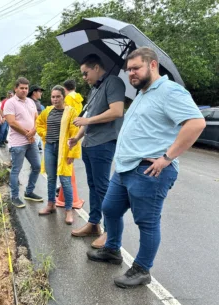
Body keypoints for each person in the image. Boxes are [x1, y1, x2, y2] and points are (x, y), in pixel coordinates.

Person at [86, 47, 206, 288]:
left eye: (136, 68)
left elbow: (196, 123)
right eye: (129, 69)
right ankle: (112, 251)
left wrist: (167, 158)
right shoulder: (142, 93)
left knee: (147, 222)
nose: (131, 73)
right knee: (109, 208)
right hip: (125, 169)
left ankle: (142, 269)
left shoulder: (169, 91)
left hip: (149, 170)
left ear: (153, 65)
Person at [68, 54, 125, 249]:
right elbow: (89, 117)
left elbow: (117, 111)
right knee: (93, 185)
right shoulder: (95, 89)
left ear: (96, 68)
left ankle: (110, 232)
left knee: (103, 187)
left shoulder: (113, 82)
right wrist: (77, 137)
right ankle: (94, 223)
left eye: (85, 73)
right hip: (89, 143)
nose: (84, 77)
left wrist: (87, 121)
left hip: (103, 143)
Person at [36, 85, 80, 224]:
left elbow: (75, 133)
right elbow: (39, 124)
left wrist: (72, 153)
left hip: (63, 150)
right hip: (49, 147)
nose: (55, 99)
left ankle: (68, 210)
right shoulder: (47, 111)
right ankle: (51, 204)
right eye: (53, 97)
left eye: (58, 96)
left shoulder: (71, 112)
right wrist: (44, 133)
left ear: (63, 97)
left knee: (65, 181)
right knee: (51, 178)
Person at [4, 77, 43, 208]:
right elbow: (12, 122)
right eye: (21, 88)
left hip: (31, 141)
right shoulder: (10, 103)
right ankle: (15, 197)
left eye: (26, 88)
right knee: (16, 170)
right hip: (18, 143)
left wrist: (33, 132)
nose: (24, 90)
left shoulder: (31, 102)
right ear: (16, 88)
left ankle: (29, 191)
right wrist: (28, 134)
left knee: (37, 166)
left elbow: (37, 119)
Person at [28, 84, 45, 151]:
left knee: (33, 150)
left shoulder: (37, 102)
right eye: (39, 91)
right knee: (32, 149)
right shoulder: (29, 102)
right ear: (34, 92)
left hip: (37, 128)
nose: (41, 93)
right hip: (33, 129)